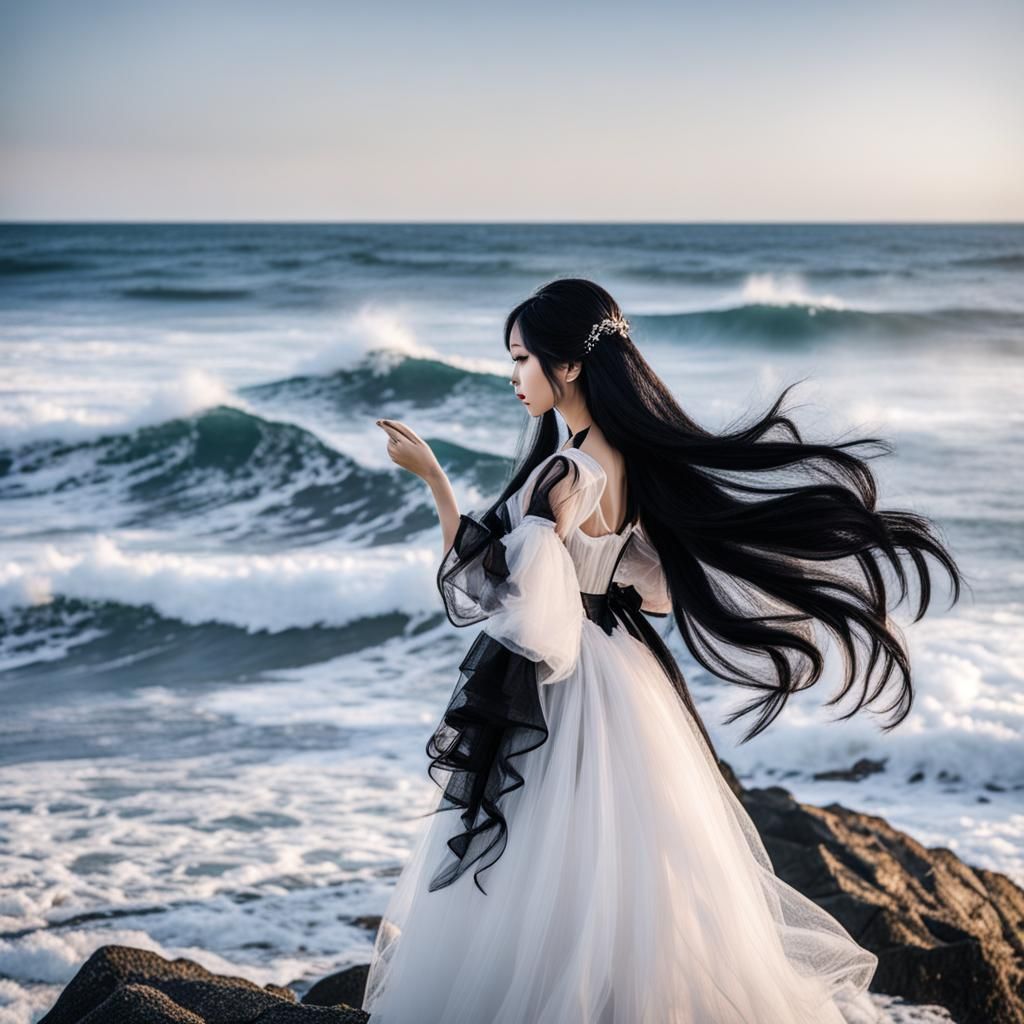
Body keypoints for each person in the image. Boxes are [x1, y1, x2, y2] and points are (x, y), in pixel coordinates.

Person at [365, 278, 965, 1023]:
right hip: (626, 673)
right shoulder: (627, 464)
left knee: (551, 851)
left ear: (570, 366)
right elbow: (648, 584)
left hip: (575, 678)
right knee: (626, 859)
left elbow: (517, 608)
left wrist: (435, 484)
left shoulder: (564, 472)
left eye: (521, 359)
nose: (513, 377)